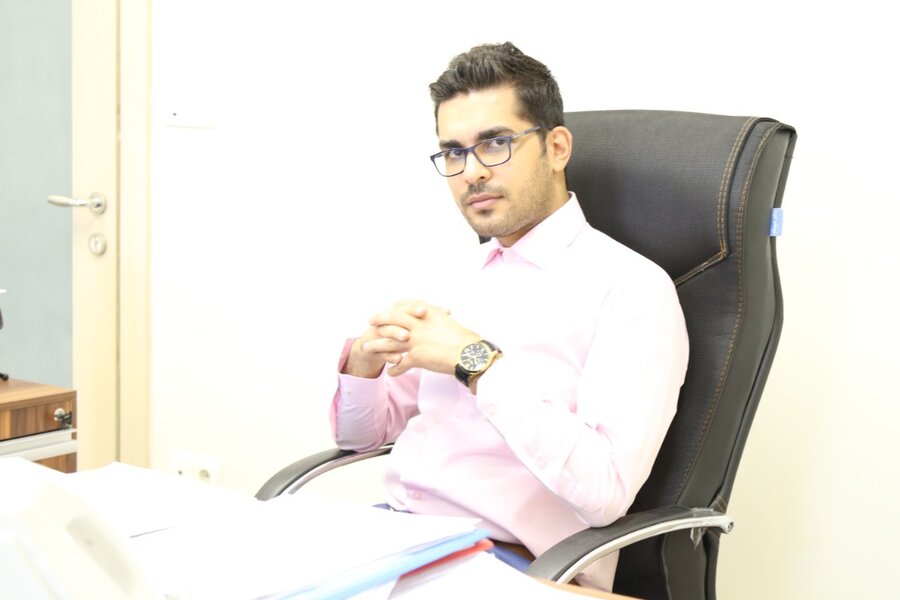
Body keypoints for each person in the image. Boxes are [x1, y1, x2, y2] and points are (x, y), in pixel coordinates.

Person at [329, 42, 689, 590]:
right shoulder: (455, 277)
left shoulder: (632, 289)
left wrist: (476, 363)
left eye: (495, 144)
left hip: (509, 563)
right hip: (396, 539)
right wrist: (363, 364)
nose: (471, 172)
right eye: (453, 152)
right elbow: (362, 437)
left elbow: (606, 492)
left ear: (557, 148)